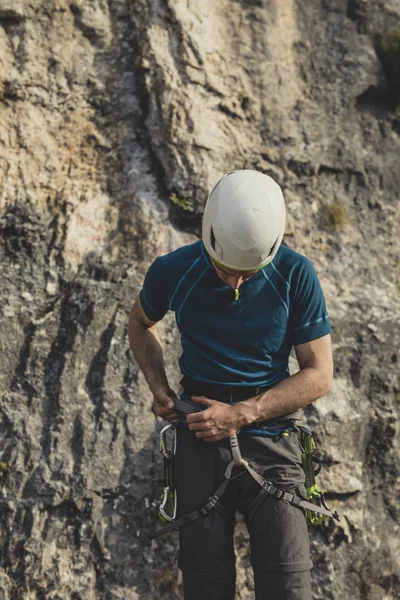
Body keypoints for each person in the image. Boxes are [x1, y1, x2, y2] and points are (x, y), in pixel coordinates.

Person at [128, 169, 333, 600]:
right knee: (205, 589)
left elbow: (319, 372)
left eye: (249, 272)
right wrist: (159, 387)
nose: (236, 282)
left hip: (272, 436)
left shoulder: (295, 274)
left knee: (290, 587)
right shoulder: (174, 270)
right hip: (200, 433)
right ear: (208, 236)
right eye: (225, 269)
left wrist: (242, 414)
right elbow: (141, 323)